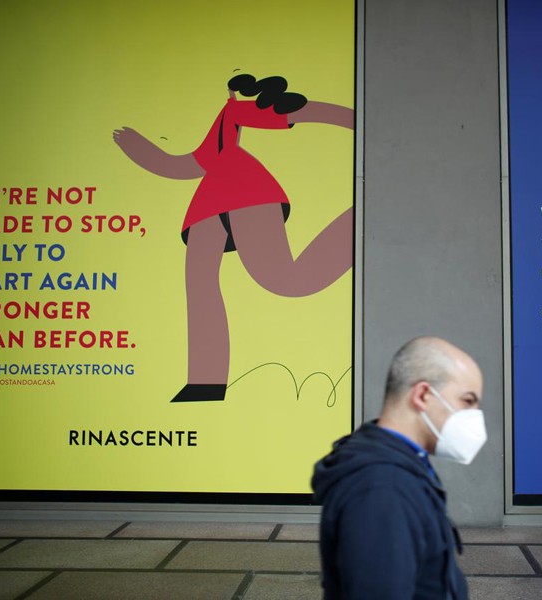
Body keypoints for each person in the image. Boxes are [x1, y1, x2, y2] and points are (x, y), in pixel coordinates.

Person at [113, 73, 354, 402]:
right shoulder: (224, 126)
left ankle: (359, 223)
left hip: (247, 196)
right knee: (200, 285)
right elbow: (188, 164)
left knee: (286, 280)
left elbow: (298, 112)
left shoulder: (242, 112)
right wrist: (140, 150)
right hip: (209, 207)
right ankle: (204, 383)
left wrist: (362, 122)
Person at [312, 336, 486, 599]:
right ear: (423, 395)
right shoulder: (382, 489)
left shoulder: (401, 462)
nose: (474, 416)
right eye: (467, 401)